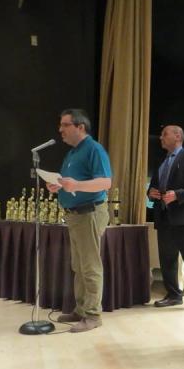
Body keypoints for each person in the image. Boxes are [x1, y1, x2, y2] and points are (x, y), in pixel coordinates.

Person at [48, 109, 112, 333]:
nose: (60, 129)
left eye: (65, 125)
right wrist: (58, 185)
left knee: (90, 266)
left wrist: (76, 185)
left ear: (80, 127)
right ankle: (81, 309)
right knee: (79, 265)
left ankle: (93, 315)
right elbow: (70, 183)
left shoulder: (94, 149)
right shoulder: (72, 153)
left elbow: (105, 183)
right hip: (75, 215)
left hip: (89, 213)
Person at [148, 125, 184, 313]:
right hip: (164, 217)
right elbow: (153, 186)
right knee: (167, 260)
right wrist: (151, 193)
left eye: (165, 134)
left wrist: (178, 194)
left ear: (178, 136)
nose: (161, 138)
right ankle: (173, 295)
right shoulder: (162, 161)